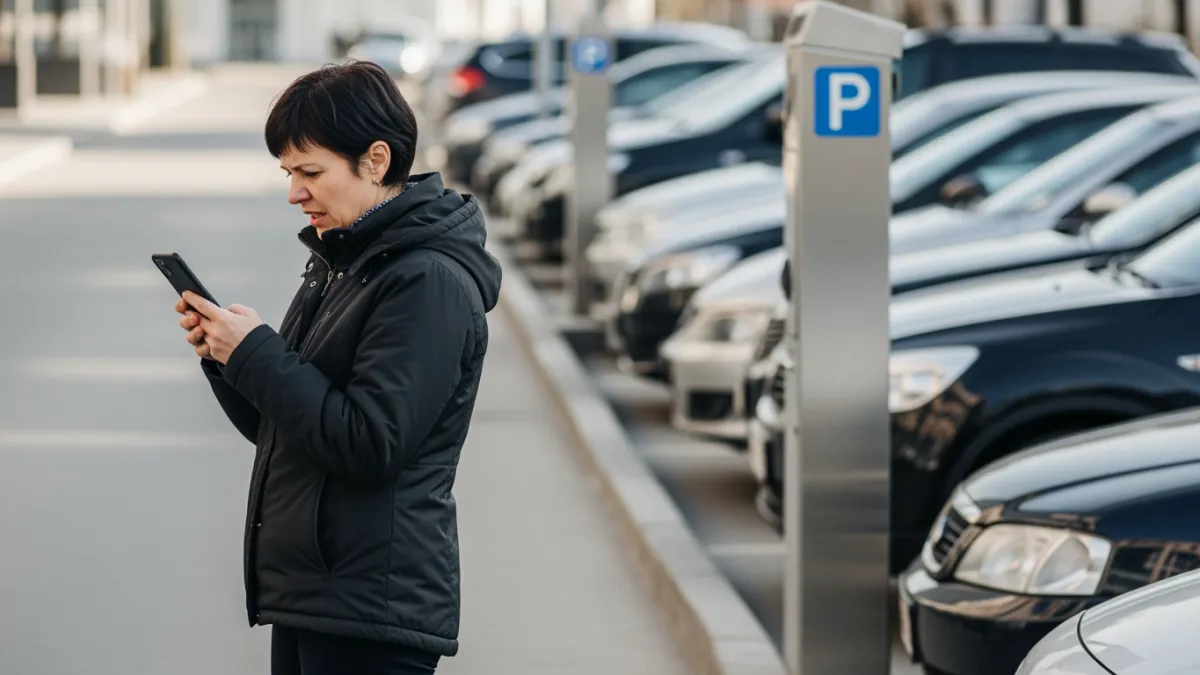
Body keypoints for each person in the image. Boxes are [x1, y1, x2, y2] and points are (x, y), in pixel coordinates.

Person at [173, 60, 502, 675]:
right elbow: (289, 428)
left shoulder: (424, 280)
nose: (295, 192)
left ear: (376, 160)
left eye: (310, 172)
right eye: (288, 173)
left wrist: (257, 354)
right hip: (318, 599)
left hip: (371, 612)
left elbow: (369, 441)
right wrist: (227, 358)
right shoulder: (345, 261)